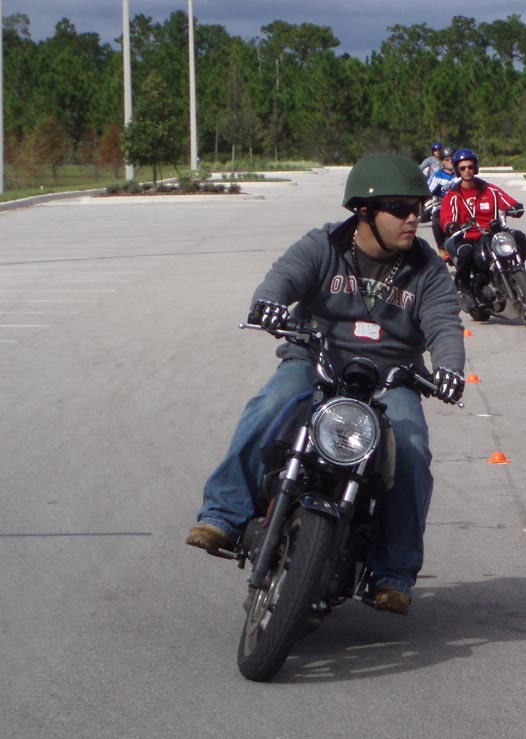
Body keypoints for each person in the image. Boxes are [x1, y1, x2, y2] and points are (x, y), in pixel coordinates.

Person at [186, 153, 466, 616]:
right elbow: (283, 277)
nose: (413, 218)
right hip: (315, 360)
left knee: (412, 449)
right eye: (400, 208)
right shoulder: (325, 244)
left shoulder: (427, 268)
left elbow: (444, 323)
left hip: (390, 377)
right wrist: (269, 303)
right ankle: (224, 513)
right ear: (364, 212)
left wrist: (449, 368)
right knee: (270, 403)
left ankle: (393, 572)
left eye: (417, 208)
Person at [439, 148, 526, 300]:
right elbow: (446, 217)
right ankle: (465, 290)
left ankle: (521, 272)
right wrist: (451, 225)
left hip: (491, 233)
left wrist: (515, 208)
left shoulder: (489, 189)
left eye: (470, 167)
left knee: (518, 236)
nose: (467, 170)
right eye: (462, 168)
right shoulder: (453, 195)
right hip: (468, 236)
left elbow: (507, 201)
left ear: (475, 168)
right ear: (457, 170)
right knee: (465, 252)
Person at [427, 149, 458, 257]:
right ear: (442, 162)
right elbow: (429, 191)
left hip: (458, 205)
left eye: (452, 159)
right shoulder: (437, 176)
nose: (450, 161)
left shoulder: (460, 174)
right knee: (436, 222)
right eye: (446, 159)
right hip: (441, 206)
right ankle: (441, 248)